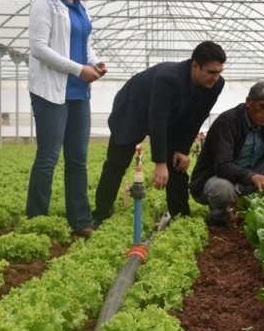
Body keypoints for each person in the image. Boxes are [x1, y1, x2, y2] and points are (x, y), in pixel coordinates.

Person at [93, 41, 226, 224]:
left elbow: (198, 116)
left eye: (219, 72)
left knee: (177, 164)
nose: (215, 77)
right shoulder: (168, 78)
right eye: (211, 72)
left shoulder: (217, 84)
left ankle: (181, 217)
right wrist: (159, 163)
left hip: (173, 114)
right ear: (195, 65)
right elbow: (157, 120)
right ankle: (101, 214)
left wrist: (182, 148)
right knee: (117, 162)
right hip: (133, 109)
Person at [26, 0, 107, 238]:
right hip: (50, 92)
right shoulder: (44, 2)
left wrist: (94, 62)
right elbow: (39, 49)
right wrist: (78, 69)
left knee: (77, 159)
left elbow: (83, 43)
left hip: (78, 93)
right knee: (48, 157)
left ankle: (80, 221)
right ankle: (36, 221)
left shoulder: (79, 7)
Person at [189, 81, 264, 227]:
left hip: (248, 177)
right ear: (249, 102)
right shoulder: (228, 122)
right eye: (263, 106)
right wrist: (252, 177)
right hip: (217, 180)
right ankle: (219, 221)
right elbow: (223, 166)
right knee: (222, 189)